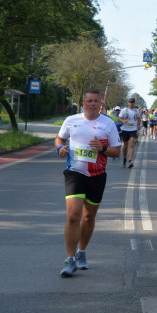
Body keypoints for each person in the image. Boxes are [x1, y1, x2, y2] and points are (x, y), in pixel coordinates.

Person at [54, 89, 122, 277]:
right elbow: (60, 138)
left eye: (96, 101)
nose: (93, 104)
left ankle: (81, 252)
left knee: (88, 217)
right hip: (75, 173)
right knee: (74, 216)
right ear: (83, 103)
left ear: (101, 104)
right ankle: (70, 259)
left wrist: (103, 148)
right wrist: (60, 147)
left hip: (97, 175)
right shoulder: (71, 120)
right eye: (89, 101)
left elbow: (117, 152)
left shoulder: (108, 124)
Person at [118, 97, 141, 168]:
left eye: (133, 102)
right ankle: (125, 158)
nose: (131, 104)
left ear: (134, 103)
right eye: (130, 102)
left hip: (133, 130)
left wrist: (139, 125)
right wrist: (123, 121)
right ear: (128, 103)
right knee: (125, 146)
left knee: (132, 144)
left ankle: (130, 160)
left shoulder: (137, 111)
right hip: (125, 129)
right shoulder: (124, 110)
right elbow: (119, 118)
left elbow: (139, 118)